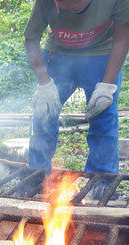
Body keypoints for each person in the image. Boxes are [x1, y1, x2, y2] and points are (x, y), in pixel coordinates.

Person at [24, 0, 129, 178]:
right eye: (63, 2)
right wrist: (44, 84)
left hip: (101, 55)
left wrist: (107, 86)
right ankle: (37, 174)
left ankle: (101, 179)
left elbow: (122, 38)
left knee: (104, 117)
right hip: (57, 55)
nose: (71, 6)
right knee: (44, 113)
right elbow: (31, 39)